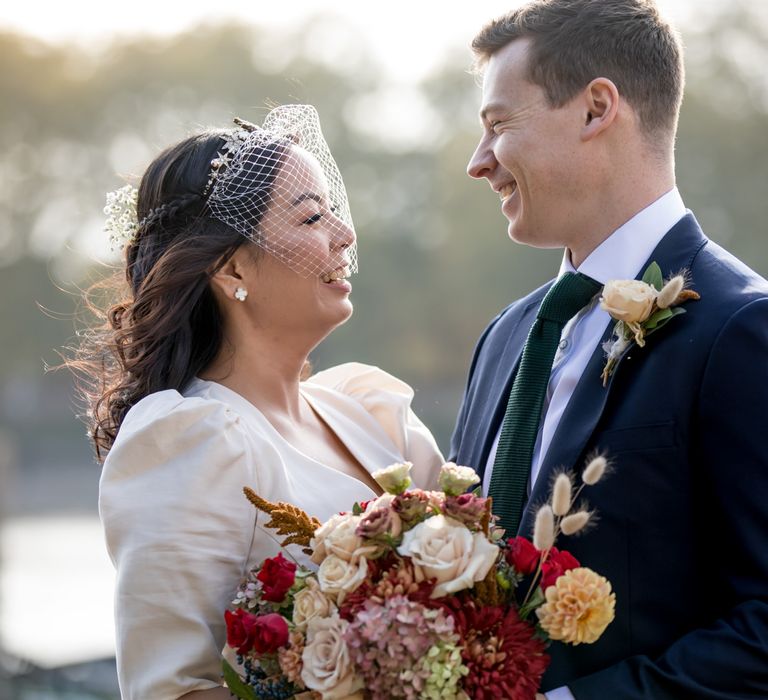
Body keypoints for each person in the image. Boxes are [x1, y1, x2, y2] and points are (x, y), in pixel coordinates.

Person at [449, 1, 768, 698]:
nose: (479, 163)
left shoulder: (742, 329)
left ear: (596, 109)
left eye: (498, 126)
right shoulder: (505, 337)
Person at [73, 105, 443, 699]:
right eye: (312, 218)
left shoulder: (370, 411)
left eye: (335, 214)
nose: (345, 234)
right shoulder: (192, 440)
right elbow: (172, 688)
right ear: (231, 265)